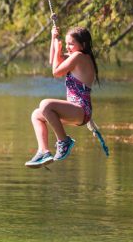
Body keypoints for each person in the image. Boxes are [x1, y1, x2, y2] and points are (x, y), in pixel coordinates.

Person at [25, 25, 98, 168]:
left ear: (83, 45)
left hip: (81, 109)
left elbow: (56, 72)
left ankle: (64, 141)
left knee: (46, 104)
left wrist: (58, 49)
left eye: (71, 43)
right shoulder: (75, 56)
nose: (68, 47)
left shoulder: (79, 57)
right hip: (75, 111)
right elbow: (54, 62)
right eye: (66, 43)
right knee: (36, 115)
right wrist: (54, 38)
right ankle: (43, 151)